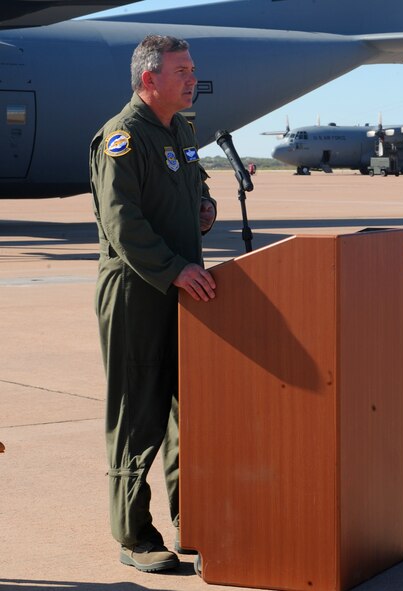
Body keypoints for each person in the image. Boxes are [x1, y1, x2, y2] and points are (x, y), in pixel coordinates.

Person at [90, 34, 218, 573]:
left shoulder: (182, 129)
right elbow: (123, 223)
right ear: (150, 80)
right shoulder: (121, 138)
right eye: (182, 70)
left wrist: (205, 206)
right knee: (137, 410)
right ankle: (135, 534)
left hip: (183, 288)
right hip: (138, 292)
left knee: (189, 409)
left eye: (192, 68)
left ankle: (193, 520)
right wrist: (175, 268)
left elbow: (195, 186)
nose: (193, 77)